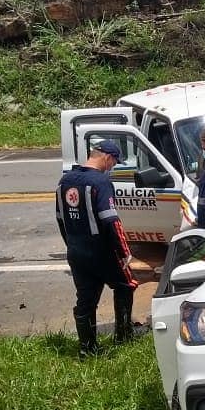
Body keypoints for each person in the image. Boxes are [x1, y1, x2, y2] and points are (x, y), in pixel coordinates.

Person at [56, 141, 139, 358]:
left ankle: (87, 349)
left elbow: (61, 219)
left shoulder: (64, 181)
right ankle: (123, 335)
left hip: (76, 252)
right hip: (101, 251)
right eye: (113, 163)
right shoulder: (100, 182)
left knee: (85, 299)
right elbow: (111, 221)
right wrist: (124, 252)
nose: (112, 167)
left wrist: (72, 244)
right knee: (125, 284)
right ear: (107, 157)